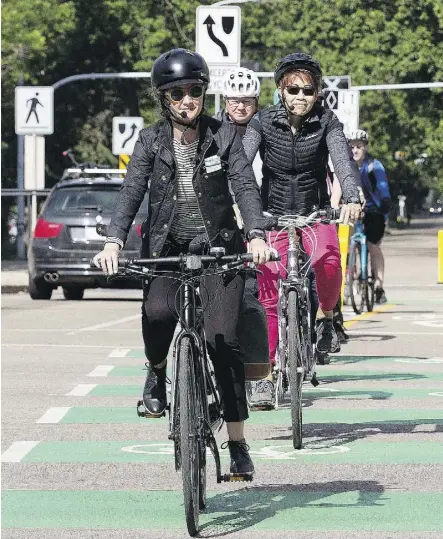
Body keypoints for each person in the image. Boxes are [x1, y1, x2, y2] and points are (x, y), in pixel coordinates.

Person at [92, 49, 271, 476]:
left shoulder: (223, 135)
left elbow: (245, 186)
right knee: (156, 312)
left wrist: (258, 234)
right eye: (176, 94)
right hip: (166, 249)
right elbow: (132, 192)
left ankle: (238, 443)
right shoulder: (151, 141)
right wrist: (114, 241)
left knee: (222, 341)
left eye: (193, 92)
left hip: (219, 251)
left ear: (203, 94)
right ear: (163, 99)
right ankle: (157, 373)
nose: (186, 100)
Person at [242, 52, 362, 376]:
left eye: (308, 91)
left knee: (329, 259)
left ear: (318, 92)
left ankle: (325, 317)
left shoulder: (327, 122)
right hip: (273, 215)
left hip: (314, 212)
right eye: (293, 90)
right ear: (281, 89)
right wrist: (242, 207)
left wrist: (350, 196)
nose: (300, 97)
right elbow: (241, 166)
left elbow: (342, 163)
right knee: (268, 289)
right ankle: (266, 370)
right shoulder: (263, 121)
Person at [217, 67, 275, 409]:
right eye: (235, 100)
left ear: (256, 102)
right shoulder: (211, 131)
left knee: (254, 294)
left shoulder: (267, 129)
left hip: (259, 218)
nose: (241, 106)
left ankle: (260, 375)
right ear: (225, 101)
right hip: (220, 219)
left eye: (247, 100)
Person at [348, 129, 391, 304]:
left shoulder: (374, 166)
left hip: (374, 211)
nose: (355, 151)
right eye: (352, 147)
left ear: (365, 148)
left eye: (359, 146)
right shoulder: (346, 166)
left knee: (373, 247)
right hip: (352, 211)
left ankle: (379, 285)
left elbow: (384, 190)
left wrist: (384, 206)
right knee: (349, 246)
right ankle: (348, 283)